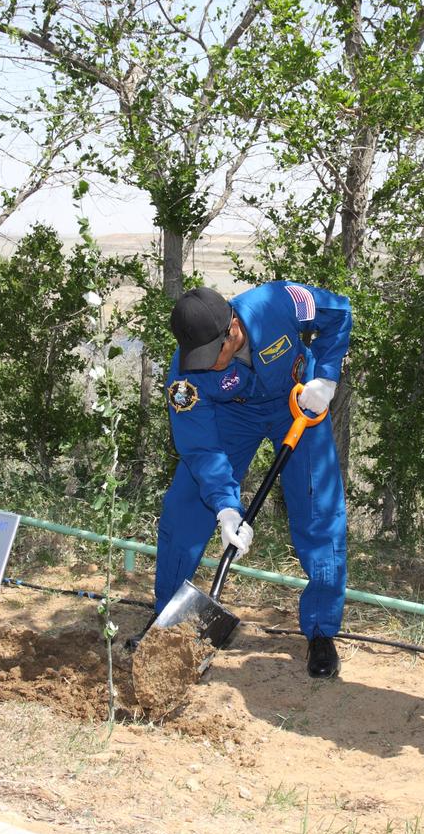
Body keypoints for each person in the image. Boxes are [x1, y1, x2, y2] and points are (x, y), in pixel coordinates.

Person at [146, 282, 352, 678]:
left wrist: (325, 379)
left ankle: (322, 630)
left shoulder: (279, 303)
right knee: (187, 504)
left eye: (213, 355)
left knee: (318, 506)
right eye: (197, 358)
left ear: (234, 329)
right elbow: (201, 448)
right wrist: (226, 507)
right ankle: (167, 622)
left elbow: (339, 314)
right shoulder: (185, 376)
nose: (206, 364)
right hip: (233, 416)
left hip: (297, 401)